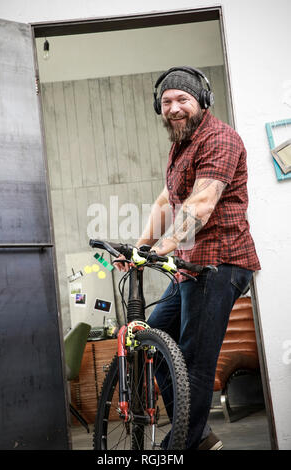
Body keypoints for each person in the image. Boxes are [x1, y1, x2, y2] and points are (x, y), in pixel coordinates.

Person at [115, 66, 261, 450]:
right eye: (167, 102)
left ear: (202, 102)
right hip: (189, 268)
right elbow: (167, 201)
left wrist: (161, 249)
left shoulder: (220, 139)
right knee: (154, 343)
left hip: (221, 263)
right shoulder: (180, 144)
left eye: (183, 99)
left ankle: (178, 447)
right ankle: (197, 435)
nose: (174, 108)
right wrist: (141, 248)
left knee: (194, 361)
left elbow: (201, 204)